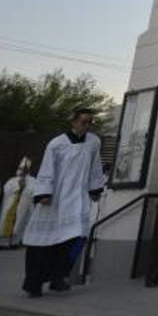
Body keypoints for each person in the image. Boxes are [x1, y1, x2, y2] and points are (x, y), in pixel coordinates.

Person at [21, 108, 104, 298]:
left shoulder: (93, 142)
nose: (87, 126)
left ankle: (59, 277)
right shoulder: (57, 144)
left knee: (76, 238)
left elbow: (95, 167)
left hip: (78, 198)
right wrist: (44, 192)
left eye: (90, 122)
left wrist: (95, 189)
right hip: (56, 198)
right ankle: (34, 283)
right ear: (73, 122)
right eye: (84, 122)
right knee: (44, 241)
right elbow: (47, 169)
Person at [0, 158, 35, 248]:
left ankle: (15, 242)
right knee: (4, 223)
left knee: (19, 223)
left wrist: (25, 189)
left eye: (24, 169)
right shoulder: (12, 180)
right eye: (20, 169)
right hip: (10, 204)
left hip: (23, 206)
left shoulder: (33, 181)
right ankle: (1, 243)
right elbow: (6, 190)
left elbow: (33, 192)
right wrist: (18, 187)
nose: (21, 171)